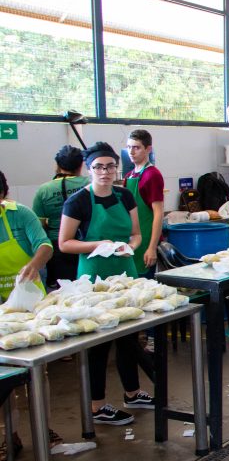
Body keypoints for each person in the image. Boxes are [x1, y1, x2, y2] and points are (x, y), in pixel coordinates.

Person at [59, 142, 149, 425]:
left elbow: (135, 234)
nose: (106, 172)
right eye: (99, 166)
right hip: (94, 279)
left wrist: (130, 247)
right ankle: (97, 406)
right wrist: (99, 244)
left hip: (124, 273)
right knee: (98, 343)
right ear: (89, 168)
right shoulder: (78, 201)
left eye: (111, 166)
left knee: (128, 336)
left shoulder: (124, 196)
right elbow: (64, 243)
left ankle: (132, 393)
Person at [0, 169, 59, 460]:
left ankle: (43, 427)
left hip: (29, 301)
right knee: (3, 372)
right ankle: (5, 433)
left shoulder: (19, 215)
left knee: (37, 368)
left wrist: (35, 263)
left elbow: (45, 245)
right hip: (1, 308)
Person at [32, 145, 90, 287]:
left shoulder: (44, 190)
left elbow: (39, 226)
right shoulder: (90, 184)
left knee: (63, 292)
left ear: (57, 165)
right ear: (81, 164)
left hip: (57, 248)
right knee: (90, 288)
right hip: (88, 244)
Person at [123, 130, 164, 278]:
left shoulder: (152, 175)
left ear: (148, 149)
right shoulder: (128, 176)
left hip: (146, 240)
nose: (131, 152)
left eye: (136, 147)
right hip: (131, 241)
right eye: (129, 147)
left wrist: (152, 247)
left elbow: (158, 213)